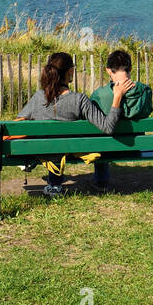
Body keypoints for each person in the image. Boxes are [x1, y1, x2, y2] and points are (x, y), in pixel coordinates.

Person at [18, 51, 133, 196]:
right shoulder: (80, 100)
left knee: (53, 144)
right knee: (82, 142)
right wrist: (117, 97)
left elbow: (19, 122)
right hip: (72, 150)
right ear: (71, 72)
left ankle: (54, 183)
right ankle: (100, 180)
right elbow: (108, 127)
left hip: (45, 151)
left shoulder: (38, 97)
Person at [89, 49, 153, 190]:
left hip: (105, 149)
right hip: (135, 146)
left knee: (98, 135)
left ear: (108, 70)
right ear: (130, 68)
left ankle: (101, 180)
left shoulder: (99, 95)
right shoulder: (145, 91)